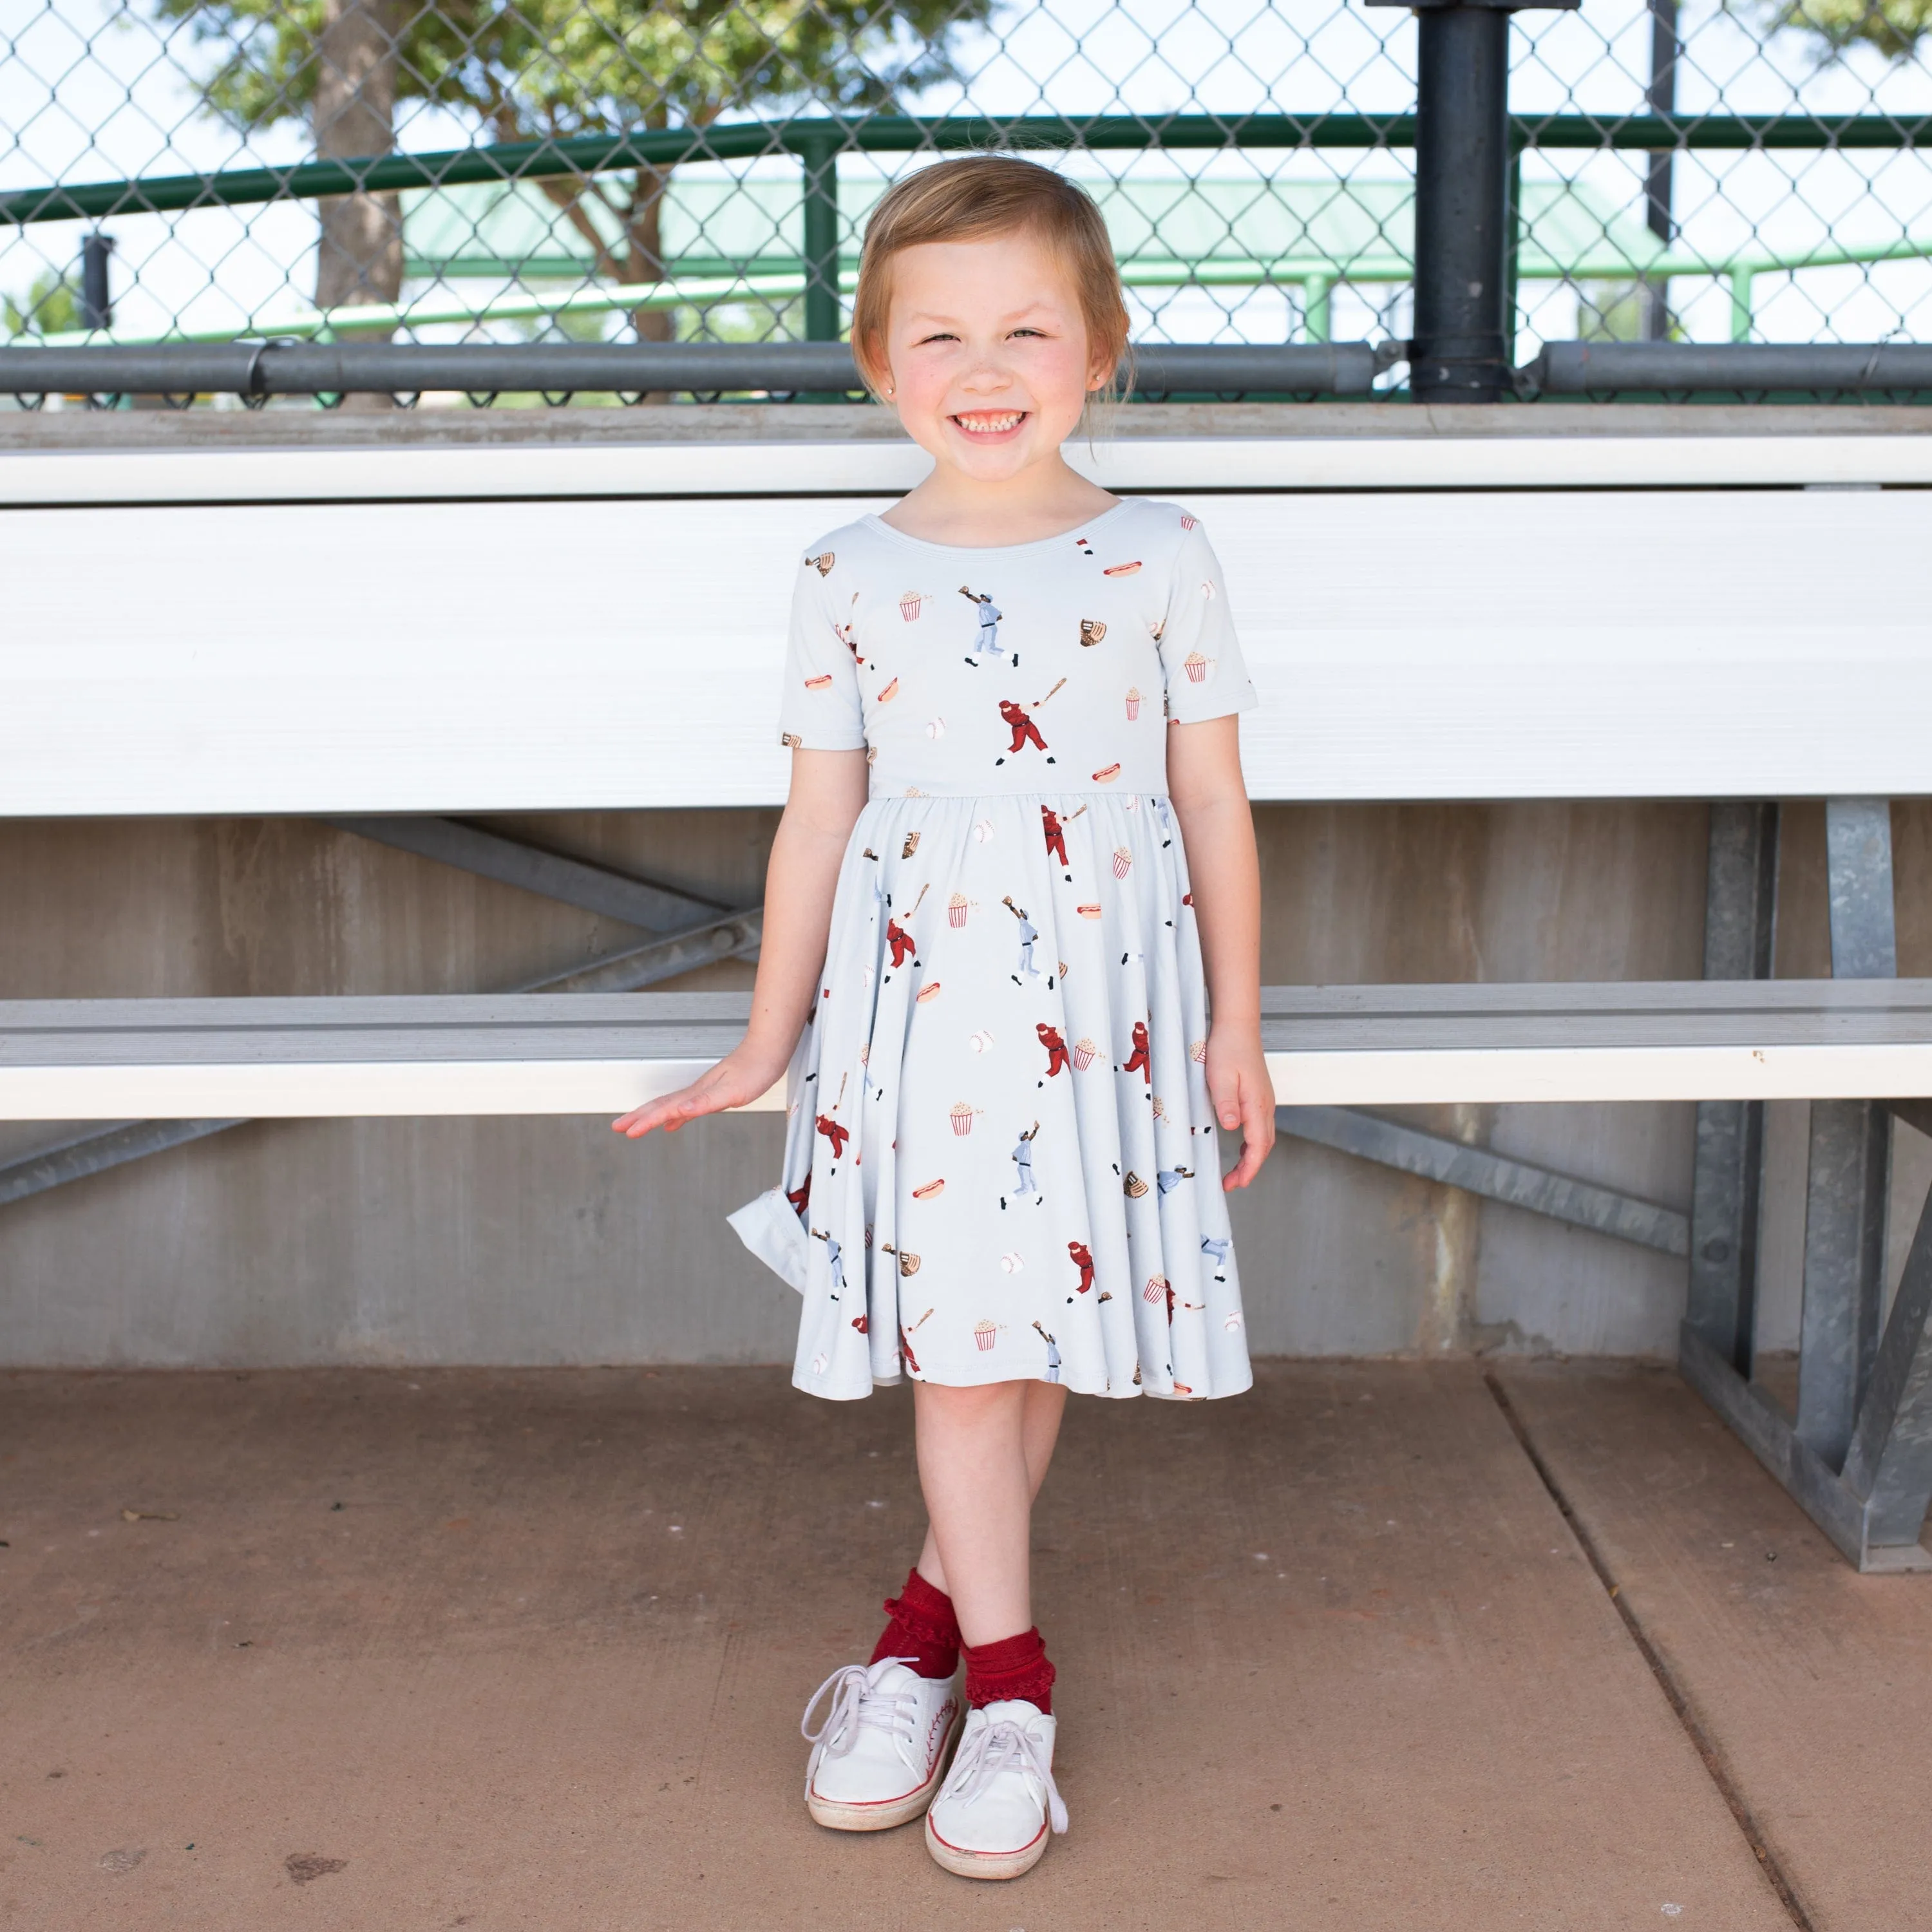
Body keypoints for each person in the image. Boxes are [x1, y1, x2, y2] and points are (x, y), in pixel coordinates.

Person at [612, 153, 1274, 1884]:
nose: (984, 371)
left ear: (1103, 350)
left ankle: (923, 1645)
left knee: (1015, 1331)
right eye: (939, 336)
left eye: (1027, 330)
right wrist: (766, 1045)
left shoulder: (1161, 556)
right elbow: (818, 816)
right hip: (929, 1001)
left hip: (1111, 1006)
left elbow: (1211, 802)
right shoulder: (847, 569)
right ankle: (1007, 1690)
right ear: (876, 361)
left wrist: (1237, 1029)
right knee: (974, 1346)